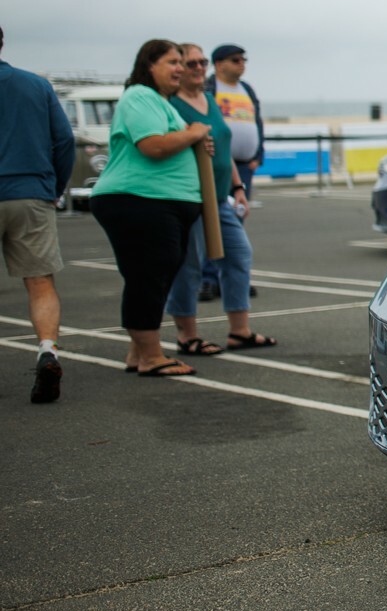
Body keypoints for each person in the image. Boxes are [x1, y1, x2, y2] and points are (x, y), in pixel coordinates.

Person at [90, 40, 212, 377]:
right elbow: (153, 145)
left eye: (181, 63)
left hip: (161, 202)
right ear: (149, 64)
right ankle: (151, 357)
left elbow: (175, 139)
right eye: (172, 62)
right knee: (148, 275)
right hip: (139, 199)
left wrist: (194, 138)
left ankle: (138, 352)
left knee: (153, 276)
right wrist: (193, 133)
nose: (181, 69)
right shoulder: (140, 96)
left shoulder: (160, 102)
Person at [165, 44, 274, 356]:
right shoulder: (171, 105)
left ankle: (239, 331)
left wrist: (238, 187)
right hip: (189, 195)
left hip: (220, 195)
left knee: (239, 253)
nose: (199, 67)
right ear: (178, 69)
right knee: (189, 264)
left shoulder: (209, 100)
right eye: (191, 63)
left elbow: (223, 147)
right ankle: (188, 335)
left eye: (201, 62)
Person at [0, 26, 76, 402]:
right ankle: (48, 348)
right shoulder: (36, 86)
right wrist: (54, 188)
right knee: (40, 281)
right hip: (30, 192)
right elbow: (63, 140)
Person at [209, 44, 263, 197]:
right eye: (235, 60)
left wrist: (258, 157)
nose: (241, 63)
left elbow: (257, 122)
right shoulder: (210, 88)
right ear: (219, 65)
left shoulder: (247, 89)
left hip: (246, 165)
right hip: (219, 164)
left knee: (239, 212)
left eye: (243, 60)